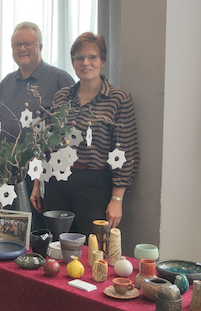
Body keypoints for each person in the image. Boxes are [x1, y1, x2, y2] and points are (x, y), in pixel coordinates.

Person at [31, 32, 139, 234]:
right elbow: (47, 142)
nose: (85, 63)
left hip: (95, 186)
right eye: (79, 58)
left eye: (92, 57)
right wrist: (37, 182)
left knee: (93, 249)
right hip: (57, 183)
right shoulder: (62, 96)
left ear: (103, 61)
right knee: (56, 245)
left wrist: (117, 199)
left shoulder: (118, 99)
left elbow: (125, 151)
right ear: (73, 62)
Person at [0, 22, 75, 229]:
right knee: (11, 231)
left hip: (44, 176)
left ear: (40, 47)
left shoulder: (60, 79)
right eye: (17, 45)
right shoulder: (6, 83)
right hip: (8, 172)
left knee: (39, 233)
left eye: (28, 44)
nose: (22, 49)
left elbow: (70, 127)